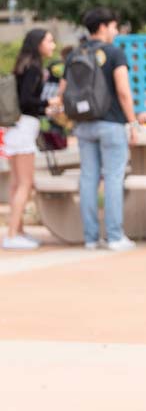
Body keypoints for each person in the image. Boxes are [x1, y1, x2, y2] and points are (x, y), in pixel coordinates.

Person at [73, 8, 139, 251]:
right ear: (102, 27)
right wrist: (132, 123)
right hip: (111, 124)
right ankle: (114, 236)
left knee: (88, 179)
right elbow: (123, 91)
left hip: (84, 124)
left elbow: (63, 93)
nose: (116, 31)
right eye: (113, 26)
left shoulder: (76, 53)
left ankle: (91, 238)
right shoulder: (114, 53)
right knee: (113, 178)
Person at [3, 29, 61, 250]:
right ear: (38, 43)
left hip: (14, 128)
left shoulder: (22, 65)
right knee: (25, 183)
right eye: (49, 40)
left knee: (17, 183)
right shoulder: (35, 68)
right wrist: (49, 104)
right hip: (24, 128)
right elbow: (28, 101)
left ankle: (17, 230)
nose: (52, 45)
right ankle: (12, 234)